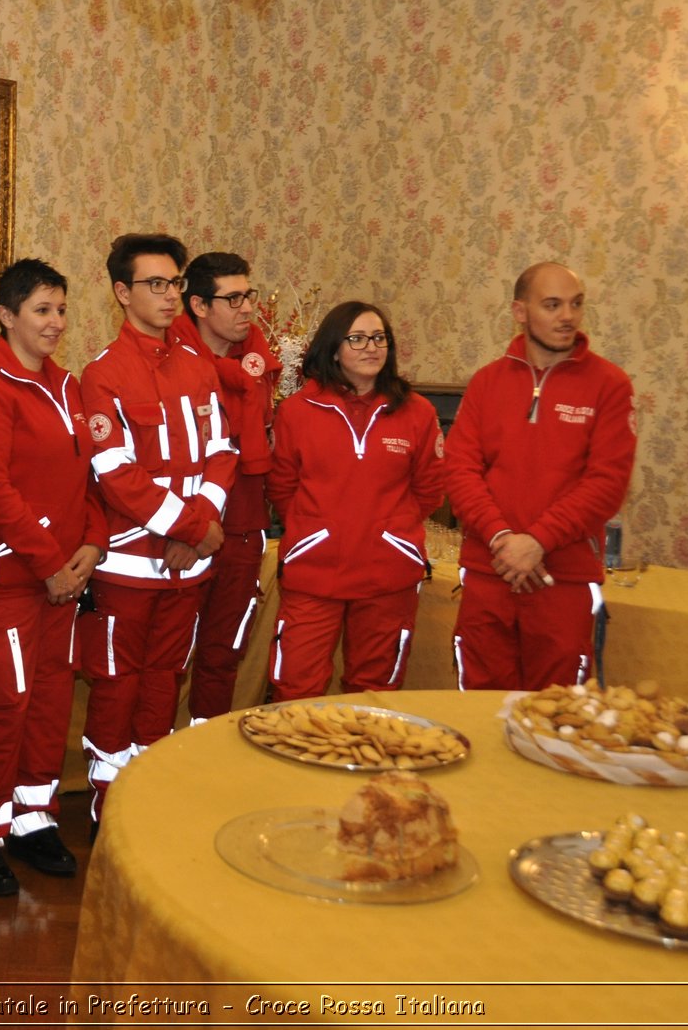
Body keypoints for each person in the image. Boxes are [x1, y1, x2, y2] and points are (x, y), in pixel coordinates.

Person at [0, 259, 107, 895]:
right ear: (7, 315)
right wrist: (50, 564)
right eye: (42, 310)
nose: (55, 322)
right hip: (4, 584)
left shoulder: (69, 388)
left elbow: (89, 476)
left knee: (47, 705)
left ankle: (31, 819)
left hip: (62, 582)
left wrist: (91, 545)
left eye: (61, 309)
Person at [78, 233, 237, 831]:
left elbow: (223, 450)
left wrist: (197, 531)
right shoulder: (103, 373)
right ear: (122, 293)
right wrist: (196, 525)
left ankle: (146, 797)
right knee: (117, 687)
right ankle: (108, 805)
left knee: (165, 683)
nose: (171, 296)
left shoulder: (199, 367)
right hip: (127, 570)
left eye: (175, 283)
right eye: (156, 284)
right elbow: (117, 474)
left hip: (187, 567)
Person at [445, 262, 636, 690]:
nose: (567, 316)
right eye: (552, 305)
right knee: (479, 707)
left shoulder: (610, 385)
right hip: (488, 572)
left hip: (561, 577)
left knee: (557, 717)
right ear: (519, 311)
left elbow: (606, 484)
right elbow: (460, 471)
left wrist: (537, 542)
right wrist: (502, 539)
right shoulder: (487, 382)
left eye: (575, 304)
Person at [266, 301, 445, 700]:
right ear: (333, 349)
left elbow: (429, 490)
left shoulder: (417, 412)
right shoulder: (297, 412)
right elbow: (282, 488)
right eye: (358, 338)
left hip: (388, 576)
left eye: (379, 338)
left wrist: (389, 532)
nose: (371, 347)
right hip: (314, 574)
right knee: (296, 688)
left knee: (375, 693)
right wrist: (317, 533)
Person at [172, 252, 281, 720]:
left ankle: (203, 759)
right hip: (184, 526)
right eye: (232, 298)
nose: (246, 308)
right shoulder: (169, 360)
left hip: (243, 523)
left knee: (223, 654)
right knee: (168, 659)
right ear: (198, 305)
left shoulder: (257, 362)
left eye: (248, 295)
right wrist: (188, 525)